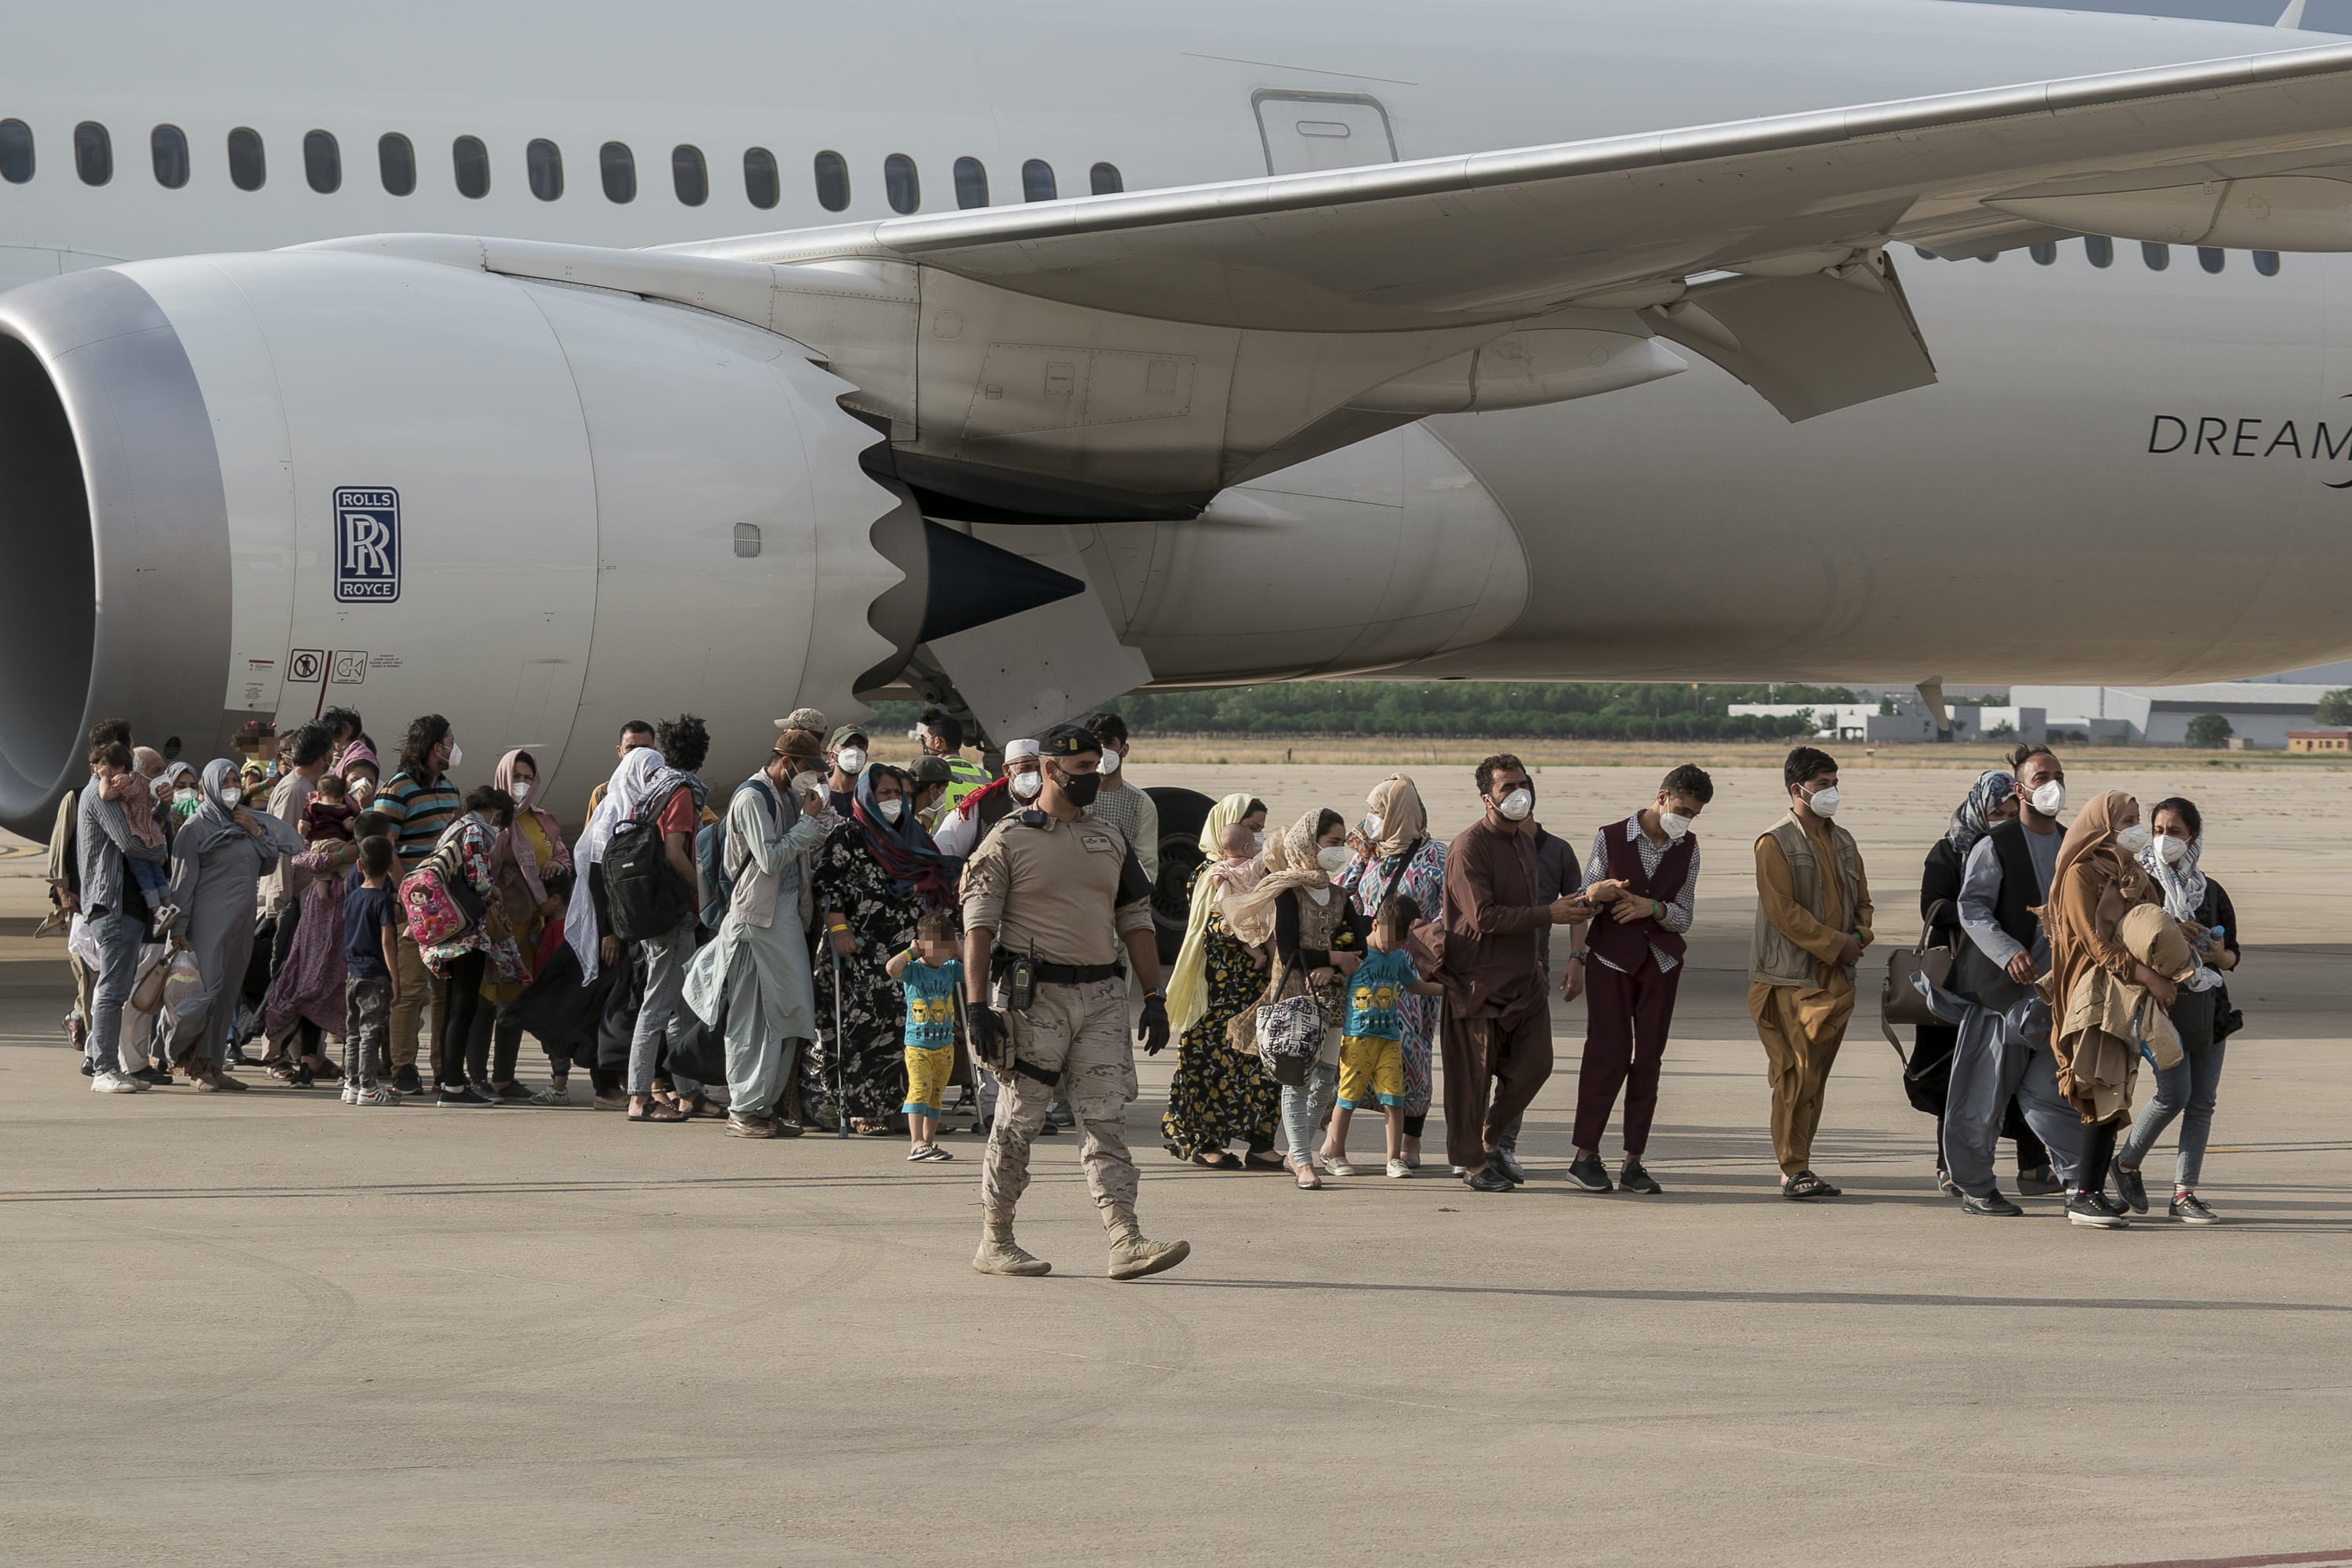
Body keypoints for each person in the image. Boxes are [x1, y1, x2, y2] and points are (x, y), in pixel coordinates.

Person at [960, 721, 1185, 1279]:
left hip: (1104, 998)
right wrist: (975, 1006)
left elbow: (1135, 919)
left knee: (1106, 1118)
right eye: (1083, 770)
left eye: (1098, 767)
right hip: (1035, 1001)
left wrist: (1153, 994)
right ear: (1050, 770)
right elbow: (978, 928)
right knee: (1020, 1120)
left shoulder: (1109, 839)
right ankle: (996, 1237)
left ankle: (1124, 1237)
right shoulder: (1008, 838)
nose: (1093, 779)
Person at [1428, 755, 1588, 1192]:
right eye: (1507, 787)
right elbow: (1483, 917)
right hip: (1477, 979)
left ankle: (1491, 1136)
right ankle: (1473, 1164)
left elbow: (1540, 907)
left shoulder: (1523, 842)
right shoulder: (1468, 847)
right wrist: (1547, 914)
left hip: (1523, 978)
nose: (1519, 793)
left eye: (1523, 784)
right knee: (1472, 1079)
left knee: (1537, 1064)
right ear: (1487, 798)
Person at [1944, 747, 2080, 1215]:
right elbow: (1972, 907)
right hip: (2002, 998)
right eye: (2042, 776)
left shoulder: (2072, 845)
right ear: (2020, 788)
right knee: (1982, 1096)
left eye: (2059, 776)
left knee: (2053, 1093)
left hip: (2055, 1000)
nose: (2053, 785)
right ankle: (1975, 1186)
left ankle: (2082, 1184)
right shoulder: (1996, 844)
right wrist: (2008, 953)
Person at [1566, 764, 1712, 1196]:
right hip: (1611, 961)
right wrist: (1596, 896)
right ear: (1662, 796)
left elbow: (1684, 915)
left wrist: (1654, 909)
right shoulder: (1611, 837)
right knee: (1607, 1055)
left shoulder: (1690, 848)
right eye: (1683, 809)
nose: (1685, 820)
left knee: (1648, 1060)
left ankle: (1634, 1160)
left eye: (1695, 815)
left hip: (1660, 963)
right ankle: (1584, 1156)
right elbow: (1584, 899)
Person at [684, 735, 833, 1138]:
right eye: (809, 768)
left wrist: (816, 820)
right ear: (787, 762)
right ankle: (744, 1109)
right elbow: (768, 858)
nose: (814, 776)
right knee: (752, 1019)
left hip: (784, 921)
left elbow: (802, 850)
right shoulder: (752, 797)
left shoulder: (789, 797)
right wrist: (806, 823)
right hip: (755, 923)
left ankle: (764, 1107)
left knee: (790, 1015)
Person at [2040, 790, 2173, 1229]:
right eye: (2129, 819)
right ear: (2103, 824)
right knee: (2102, 1086)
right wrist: (2148, 976)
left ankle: (2092, 1190)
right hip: (2091, 991)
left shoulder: (2131, 871)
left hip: (2124, 993)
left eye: (2138, 818)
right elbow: (2094, 943)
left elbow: (2150, 919)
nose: (2137, 827)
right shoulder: (2080, 873)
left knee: (2115, 1090)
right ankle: (2083, 1195)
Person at [1748, 746, 1873, 1201]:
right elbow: (1784, 912)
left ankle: (1802, 1163)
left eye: (1834, 783)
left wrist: (1861, 935)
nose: (1832, 792)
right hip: (1788, 980)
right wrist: (1838, 944)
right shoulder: (1775, 842)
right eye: (1823, 784)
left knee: (1815, 1080)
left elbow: (1864, 900)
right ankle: (1792, 1168)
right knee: (1793, 1076)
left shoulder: (1843, 840)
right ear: (1796, 789)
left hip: (1836, 979)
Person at [2111, 797, 2240, 1224]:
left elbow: (2233, 958)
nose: (2165, 839)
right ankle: (2126, 1163)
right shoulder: (2137, 884)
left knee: (2202, 1101)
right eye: (2159, 830)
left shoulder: (2212, 891)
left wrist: (2217, 954)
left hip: (2207, 1007)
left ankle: (2185, 1192)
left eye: (2176, 832)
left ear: (2194, 838)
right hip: (2157, 1007)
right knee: (2174, 1094)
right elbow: (2122, 943)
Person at [808, 761, 955, 1132]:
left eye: (902, 794)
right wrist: (839, 932)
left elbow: (935, 881)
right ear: (869, 797)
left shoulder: (914, 835)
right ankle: (863, 1110)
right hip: (859, 950)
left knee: (909, 1031)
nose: (896, 800)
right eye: (886, 793)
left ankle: (905, 1108)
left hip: (910, 952)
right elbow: (827, 886)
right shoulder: (850, 834)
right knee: (863, 1032)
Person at [1225, 808, 1365, 1189]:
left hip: (1332, 998)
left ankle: (1294, 1152)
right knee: (1295, 1080)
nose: (1339, 851)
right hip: (1293, 997)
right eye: (1333, 843)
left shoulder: (1339, 894)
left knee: (1325, 1080)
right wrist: (1335, 958)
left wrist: (1334, 969)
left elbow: (1360, 944)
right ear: (1310, 843)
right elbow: (1287, 951)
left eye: (1340, 843)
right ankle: (1303, 1161)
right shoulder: (1287, 891)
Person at [162, 760, 304, 1091]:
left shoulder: (244, 822)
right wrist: (179, 928)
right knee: (206, 994)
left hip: (241, 921)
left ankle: (214, 1063)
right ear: (210, 785)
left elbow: (269, 863)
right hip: (207, 923)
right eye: (224, 781)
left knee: (228, 993)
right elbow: (182, 883)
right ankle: (193, 1064)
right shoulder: (195, 828)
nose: (231, 786)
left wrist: (255, 830)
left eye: (234, 780)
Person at [1162, 794, 1284, 1169]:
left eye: (1262, 830)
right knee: (1209, 1069)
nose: (1258, 838)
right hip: (1218, 990)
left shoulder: (1256, 870)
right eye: (1252, 829)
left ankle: (1262, 1143)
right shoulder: (1210, 875)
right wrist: (1252, 933)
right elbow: (1215, 925)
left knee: (1264, 1065)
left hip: (1256, 987)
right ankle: (1205, 1143)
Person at [1335, 775, 1443, 1169]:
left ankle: (1409, 1142)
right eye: (1372, 812)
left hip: (1409, 974)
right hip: (1368, 971)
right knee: (1359, 1056)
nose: (1373, 818)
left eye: (1380, 811)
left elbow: (1452, 907)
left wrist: (1423, 938)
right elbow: (1339, 891)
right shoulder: (1371, 855)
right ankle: (1336, 1143)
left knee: (1410, 1058)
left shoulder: (1437, 857)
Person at [622, 716, 715, 1123]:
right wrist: (704, 892)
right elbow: (676, 852)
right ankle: (640, 1097)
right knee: (658, 1006)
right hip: (672, 911)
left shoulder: (653, 786)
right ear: (702, 754)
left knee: (680, 1006)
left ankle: (689, 1092)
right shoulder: (680, 792)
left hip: (652, 906)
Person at [372, 714, 465, 1095]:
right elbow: (382, 847)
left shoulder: (451, 789)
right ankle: (403, 1067)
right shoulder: (397, 789)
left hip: (446, 908)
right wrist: (405, 894)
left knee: (444, 991)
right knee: (409, 990)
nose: (453, 750)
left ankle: (444, 1067)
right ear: (433, 746)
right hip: (411, 905)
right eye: (449, 742)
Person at [418, 785, 525, 1107]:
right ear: (495, 813)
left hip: (447, 929)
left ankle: (450, 1080)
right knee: (463, 1008)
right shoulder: (476, 830)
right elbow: (478, 878)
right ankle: (453, 1086)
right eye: (502, 823)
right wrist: (494, 892)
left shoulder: (452, 828)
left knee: (453, 1005)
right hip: (468, 931)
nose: (499, 830)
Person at [1324, 894, 1443, 1179]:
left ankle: (1393, 1159)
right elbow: (1338, 988)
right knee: (1347, 1097)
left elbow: (1414, 985)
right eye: (1392, 940)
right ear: (1375, 925)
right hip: (1357, 1038)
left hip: (1389, 1038)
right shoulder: (1356, 955)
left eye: (1402, 942)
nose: (1395, 947)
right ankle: (1335, 1152)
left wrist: (1446, 989)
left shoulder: (1398, 956)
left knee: (1394, 1098)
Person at [481, 749, 574, 1102]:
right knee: (485, 1004)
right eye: (516, 776)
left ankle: (503, 1078)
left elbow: (561, 852)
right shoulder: (493, 820)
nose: (521, 784)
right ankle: (474, 1076)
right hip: (499, 924)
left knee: (516, 1005)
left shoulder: (542, 820)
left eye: (527, 777)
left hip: (534, 926)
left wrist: (556, 867)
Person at [78, 739, 170, 1092]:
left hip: (128, 904)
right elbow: (132, 842)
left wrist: (158, 814)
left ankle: (111, 1066)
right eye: (121, 765)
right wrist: (159, 847)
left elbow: (141, 826)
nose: (124, 774)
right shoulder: (101, 796)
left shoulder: (122, 796)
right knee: (112, 988)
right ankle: (103, 1068)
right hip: (113, 903)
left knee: (118, 986)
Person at [258, 802, 372, 1084]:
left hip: (347, 941)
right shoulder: (326, 848)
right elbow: (299, 858)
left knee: (340, 998)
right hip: (315, 938)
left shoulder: (364, 856)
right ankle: (306, 1061)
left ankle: (345, 1067)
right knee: (309, 993)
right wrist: (335, 859)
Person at [49, 718, 133, 1058]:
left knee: (108, 974)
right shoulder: (78, 796)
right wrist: (64, 893)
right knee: (89, 975)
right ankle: (93, 1050)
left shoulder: (126, 795)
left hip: (114, 899)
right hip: (85, 902)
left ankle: (84, 1024)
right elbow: (59, 850)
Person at [259, 721, 334, 1079]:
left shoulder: (309, 788)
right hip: (293, 903)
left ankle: (310, 1055)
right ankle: (276, 1057)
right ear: (324, 755)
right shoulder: (293, 791)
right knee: (285, 982)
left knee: (309, 981)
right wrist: (280, 903)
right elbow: (281, 850)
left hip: (310, 905)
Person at [887, 909, 964, 1162]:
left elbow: (975, 967)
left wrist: (958, 948)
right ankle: (915, 1141)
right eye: (936, 948)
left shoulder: (950, 968)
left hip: (944, 1045)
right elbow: (892, 968)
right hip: (918, 1046)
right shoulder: (914, 970)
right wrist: (912, 951)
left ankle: (928, 1142)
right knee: (919, 1090)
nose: (942, 954)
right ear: (922, 946)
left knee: (936, 1094)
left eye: (946, 948)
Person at [342, 833, 405, 1106]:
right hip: (375, 973)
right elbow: (387, 941)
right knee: (371, 1031)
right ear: (391, 866)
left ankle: (351, 1083)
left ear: (359, 865)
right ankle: (368, 1086)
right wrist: (395, 978)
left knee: (354, 1030)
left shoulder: (353, 897)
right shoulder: (382, 902)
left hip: (353, 972)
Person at [92, 742, 176, 935]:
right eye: (156, 771)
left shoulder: (148, 797)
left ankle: (162, 909)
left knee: (152, 874)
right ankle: (162, 908)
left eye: (164, 770)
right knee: (148, 874)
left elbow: (156, 819)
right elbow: (106, 795)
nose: (163, 777)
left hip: (147, 841)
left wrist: (164, 804)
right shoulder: (130, 786)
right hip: (121, 900)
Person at [1080, 711, 1159, 883]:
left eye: (1110, 744)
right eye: (1096, 744)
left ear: (1124, 749)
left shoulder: (1140, 803)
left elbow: (1146, 863)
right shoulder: (1075, 797)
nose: (1103, 751)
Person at [934, 739, 1040, 859]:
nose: (1033, 774)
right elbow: (943, 852)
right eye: (1025, 768)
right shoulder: (979, 806)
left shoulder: (1050, 803)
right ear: (1007, 770)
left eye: (1038, 768)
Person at [916, 707, 991, 821]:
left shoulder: (930, 776)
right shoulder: (985, 776)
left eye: (925, 739)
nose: (925, 743)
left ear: (937, 742)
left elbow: (922, 822)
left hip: (938, 838)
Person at [584, 720, 657, 817]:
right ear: (619, 751)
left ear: (655, 752)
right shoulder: (602, 793)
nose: (637, 754)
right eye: (631, 748)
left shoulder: (666, 791)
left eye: (644, 748)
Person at [823, 724, 870, 817]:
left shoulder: (868, 798)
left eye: (860, 746)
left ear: (865, 758)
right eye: (847, 745)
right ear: (832, 756)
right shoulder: (819, 796)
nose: (855, 751)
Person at [300, 773, 356, 842]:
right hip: (337, 842)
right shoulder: (343, 809)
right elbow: (349, 827)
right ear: (342, 798)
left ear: (318, 796)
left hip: (317, 842)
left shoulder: (312, 808)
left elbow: (303, 827)